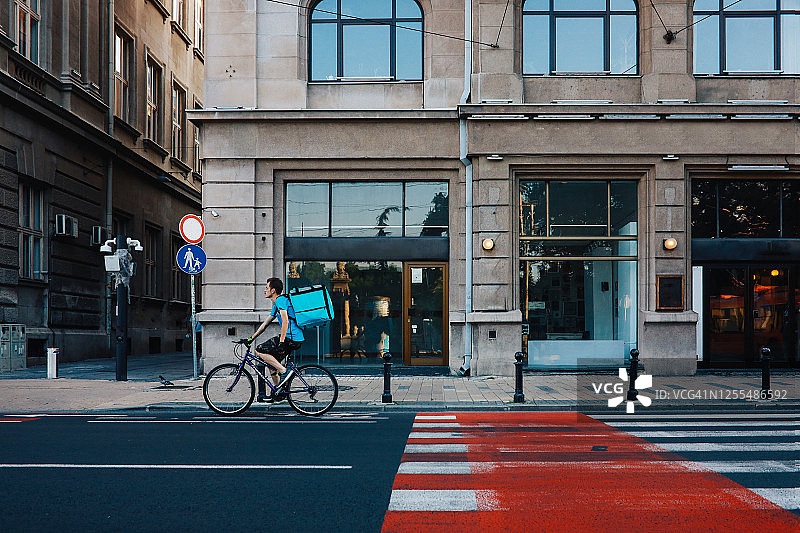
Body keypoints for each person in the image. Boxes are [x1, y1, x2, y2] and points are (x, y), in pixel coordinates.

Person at [242, 277, 304, 402]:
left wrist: (281, 341)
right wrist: (251, 338)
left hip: (291, 338)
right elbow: (265, 325)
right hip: (293, 338)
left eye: (267, 288)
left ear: (273, 290)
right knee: (271, 363)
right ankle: (279, 392)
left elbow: (285, 321)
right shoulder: (277, 304)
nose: (265, 290)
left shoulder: (280, 300)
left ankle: (283, 371)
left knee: (259, 350)